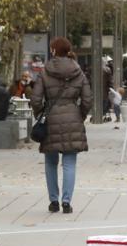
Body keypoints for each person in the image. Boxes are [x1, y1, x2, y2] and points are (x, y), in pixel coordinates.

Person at [31, 37, 93, 215]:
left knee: (50, 163)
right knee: (69, 163)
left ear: (53, 51)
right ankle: (67, 202)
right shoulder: (79, 72)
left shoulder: (45, 72)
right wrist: (79, 114)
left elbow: (35, 98)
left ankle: (53, 202)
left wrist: (41, 114)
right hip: (73, 117)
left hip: (50, 118)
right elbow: (87, 99)